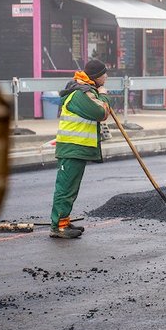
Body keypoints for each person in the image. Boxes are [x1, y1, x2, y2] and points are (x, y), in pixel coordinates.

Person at [49, 59, 111, 239]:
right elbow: (100, 113)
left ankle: (64, 221)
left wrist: (100, 95)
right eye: (104, 74)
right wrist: (104, 95)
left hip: (77, 148)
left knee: (71, 188)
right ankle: (58, 227)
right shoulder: (79, 94)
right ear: (97, 77)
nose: (106, 77)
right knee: (65, 188)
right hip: (72, 148)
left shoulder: (87, 91)